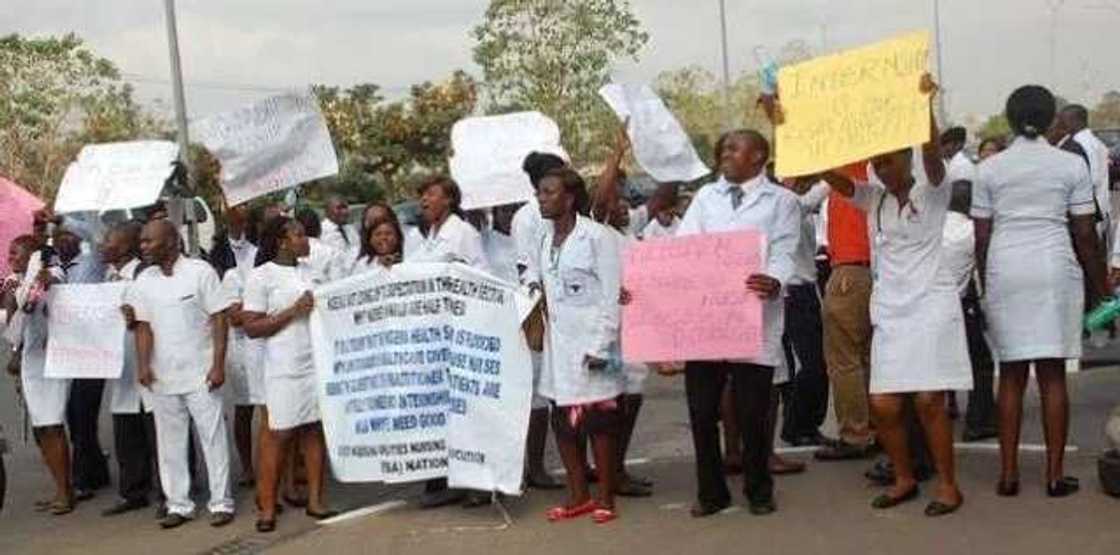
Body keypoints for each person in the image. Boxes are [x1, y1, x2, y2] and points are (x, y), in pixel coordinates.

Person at [822, 74, 968, 517]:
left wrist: (923, 105)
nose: (883, 169)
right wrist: (793, 132)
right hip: (892, 310)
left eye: (889, 161)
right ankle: (904, 478)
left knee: (928, 401)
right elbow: (834, 179)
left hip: (933, 306)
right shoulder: (874, 200)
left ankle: (947, 486)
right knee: (884, 405)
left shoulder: (934, 190)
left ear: (907, 159)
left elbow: (932, 153)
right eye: (877, 163)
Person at [974, 85, 1109, 498]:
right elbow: (1085, 234)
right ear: (1052, 119)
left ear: (1010, 121)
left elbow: (982, 235)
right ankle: (1053, 476)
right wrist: (1100, 287)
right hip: (1053, 268)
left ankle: (1009, 475)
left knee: (1012, 375)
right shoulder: (1069, 165)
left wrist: (986, 283)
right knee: (1051, 375)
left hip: (1006, 269)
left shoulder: (989, 169)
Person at [673, 129, 800, 517]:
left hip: (753, 320)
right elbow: (684, 247)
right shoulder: (705, 198)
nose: (724, 153)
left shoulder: (782, 202)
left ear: (759, 156)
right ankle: (711, 493)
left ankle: (759, 490)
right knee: (701, 412)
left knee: (753, 414)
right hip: (706, 321)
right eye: (723, 147)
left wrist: (775, 280)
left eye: (734, 147)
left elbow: (784, 251)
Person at [528, 167, 624, 524]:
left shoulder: (597, 237)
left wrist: (602, 345)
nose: (542, 198)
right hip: (559, 347)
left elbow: (612, 295)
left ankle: (606, 498)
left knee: (600, 423)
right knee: (564, 423)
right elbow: (539, 279)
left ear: (569, 198)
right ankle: (578, 495)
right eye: (539, 192)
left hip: (594, 343)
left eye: (549, 192)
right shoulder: (543, 240)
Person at [127, 219, 236, 529]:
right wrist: (144, 365)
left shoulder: (200, 272)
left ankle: (221, 502)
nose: (144, 246)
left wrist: (218, 364)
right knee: (170, 444)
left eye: (149, 241)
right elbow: (143, 326)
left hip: (201, 374)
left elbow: (218, 320)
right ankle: (179, 504)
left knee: (212, 439)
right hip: (163, 377)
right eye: (142, 241)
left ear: (172, 241)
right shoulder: (144, 280)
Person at [243, 216, 337, 533]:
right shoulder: (262, 276)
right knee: (278, 436)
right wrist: (291, 312)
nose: (305, 239)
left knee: (313, 431)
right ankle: (267, 507)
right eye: (298, 235)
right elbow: (252, 327)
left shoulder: (312, 272)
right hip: (284, 367)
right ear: (282, 241)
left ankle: (315, 499)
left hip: (315, 364)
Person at [4, 234, 74, 515]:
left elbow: (50, 286)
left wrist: (40, 276)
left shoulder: (52, 272)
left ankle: (66, 492)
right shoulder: (13, 282)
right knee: (39, 428)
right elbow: (13, 323)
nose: (11, 258)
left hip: (53, 358)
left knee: (53, 424)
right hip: (30, 360)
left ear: (33, 255)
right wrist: (12, 292)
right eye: (9, 253)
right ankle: (60, 487)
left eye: (16, 253)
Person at [100, 221, 164, 517]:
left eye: (108, 239)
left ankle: (171, 491)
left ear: (126, 245)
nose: (102, 244)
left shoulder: (144, 275)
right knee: (127, 431)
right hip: (122, 367)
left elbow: (156, 313)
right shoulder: (108, 276)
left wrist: (134, 319)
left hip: (148, 360)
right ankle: (133, 490)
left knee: (160, 430)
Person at [54, 221, 112, 501]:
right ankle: (97, 470)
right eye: (59, 236)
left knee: (82, 413)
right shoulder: (54, 267)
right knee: (73, 415)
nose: (62, 240)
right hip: (69, 351)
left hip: (94, 350)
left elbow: (96, 236)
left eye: (68, 236)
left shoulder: (92, 261)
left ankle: (82, 479)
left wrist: (64, 220)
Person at [777, 176, 831, 449]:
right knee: (811, 365)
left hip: (806, 291)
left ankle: (804, 424)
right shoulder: (789, 205)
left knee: (812, 365)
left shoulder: (799, 210)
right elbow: (818, 194)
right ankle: (798, 425)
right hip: (794, 293)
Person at [211, 203, 261, 489]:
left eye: (242, 207)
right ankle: (247, 467)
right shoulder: (219, 254)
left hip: (267, 338)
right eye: (232, 208)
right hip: (240, 344)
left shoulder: (258, 252)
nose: (237, 212)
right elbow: (233, 313)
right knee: (244, 407)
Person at [943, 184, 998, 442]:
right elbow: (981, 268)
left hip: (928, 305)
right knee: (981, 362)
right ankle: (979, 421)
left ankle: (946, 407)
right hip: (957, 306)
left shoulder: (932, 228)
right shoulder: (971, 231)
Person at [1058, 105, 1112, 250]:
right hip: (1100, 209)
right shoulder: (1096, 142)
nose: (1060, 126)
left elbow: (1089, 180)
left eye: (1062, 121)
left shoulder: (1081, 144)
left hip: (1088, 214)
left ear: (1073, 121)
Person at [351, 206, 404, 276]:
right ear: (370, 240)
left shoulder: (410, 257)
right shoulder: (362, 266)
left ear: (397, 237)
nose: (383, 237)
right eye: (378, 234)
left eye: (388, 233)